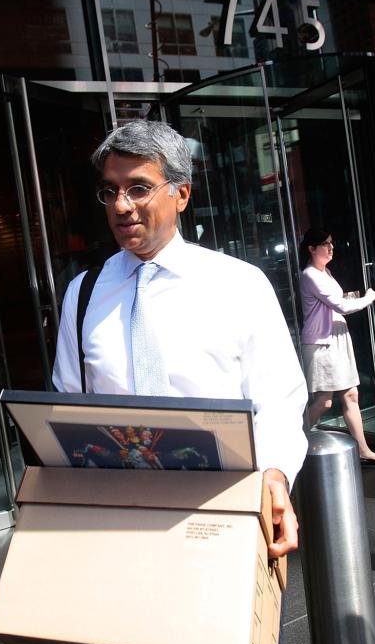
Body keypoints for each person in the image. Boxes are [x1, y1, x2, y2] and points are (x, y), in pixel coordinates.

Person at [52, 120, 308, 561]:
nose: (120, 205)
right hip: (119, 519)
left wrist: (275, 474)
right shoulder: (84, 293)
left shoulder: (238, 284)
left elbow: (279, 399)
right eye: (110, 191)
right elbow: (68, 404)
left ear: (182, 194)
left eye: (138, 188)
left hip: (222, 513)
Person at [298, 227, 375, 466]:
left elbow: (336, 303)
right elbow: (340, 306)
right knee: (324, 402)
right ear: (311, 248)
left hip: (337, 338)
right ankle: (292, 439)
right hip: (322, 343)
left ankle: (363, 450)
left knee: (350, 394)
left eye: (332, 243)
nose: (331, 248)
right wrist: (369, 297)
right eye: (325, 244)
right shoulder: (310, 275)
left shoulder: (326, 272)